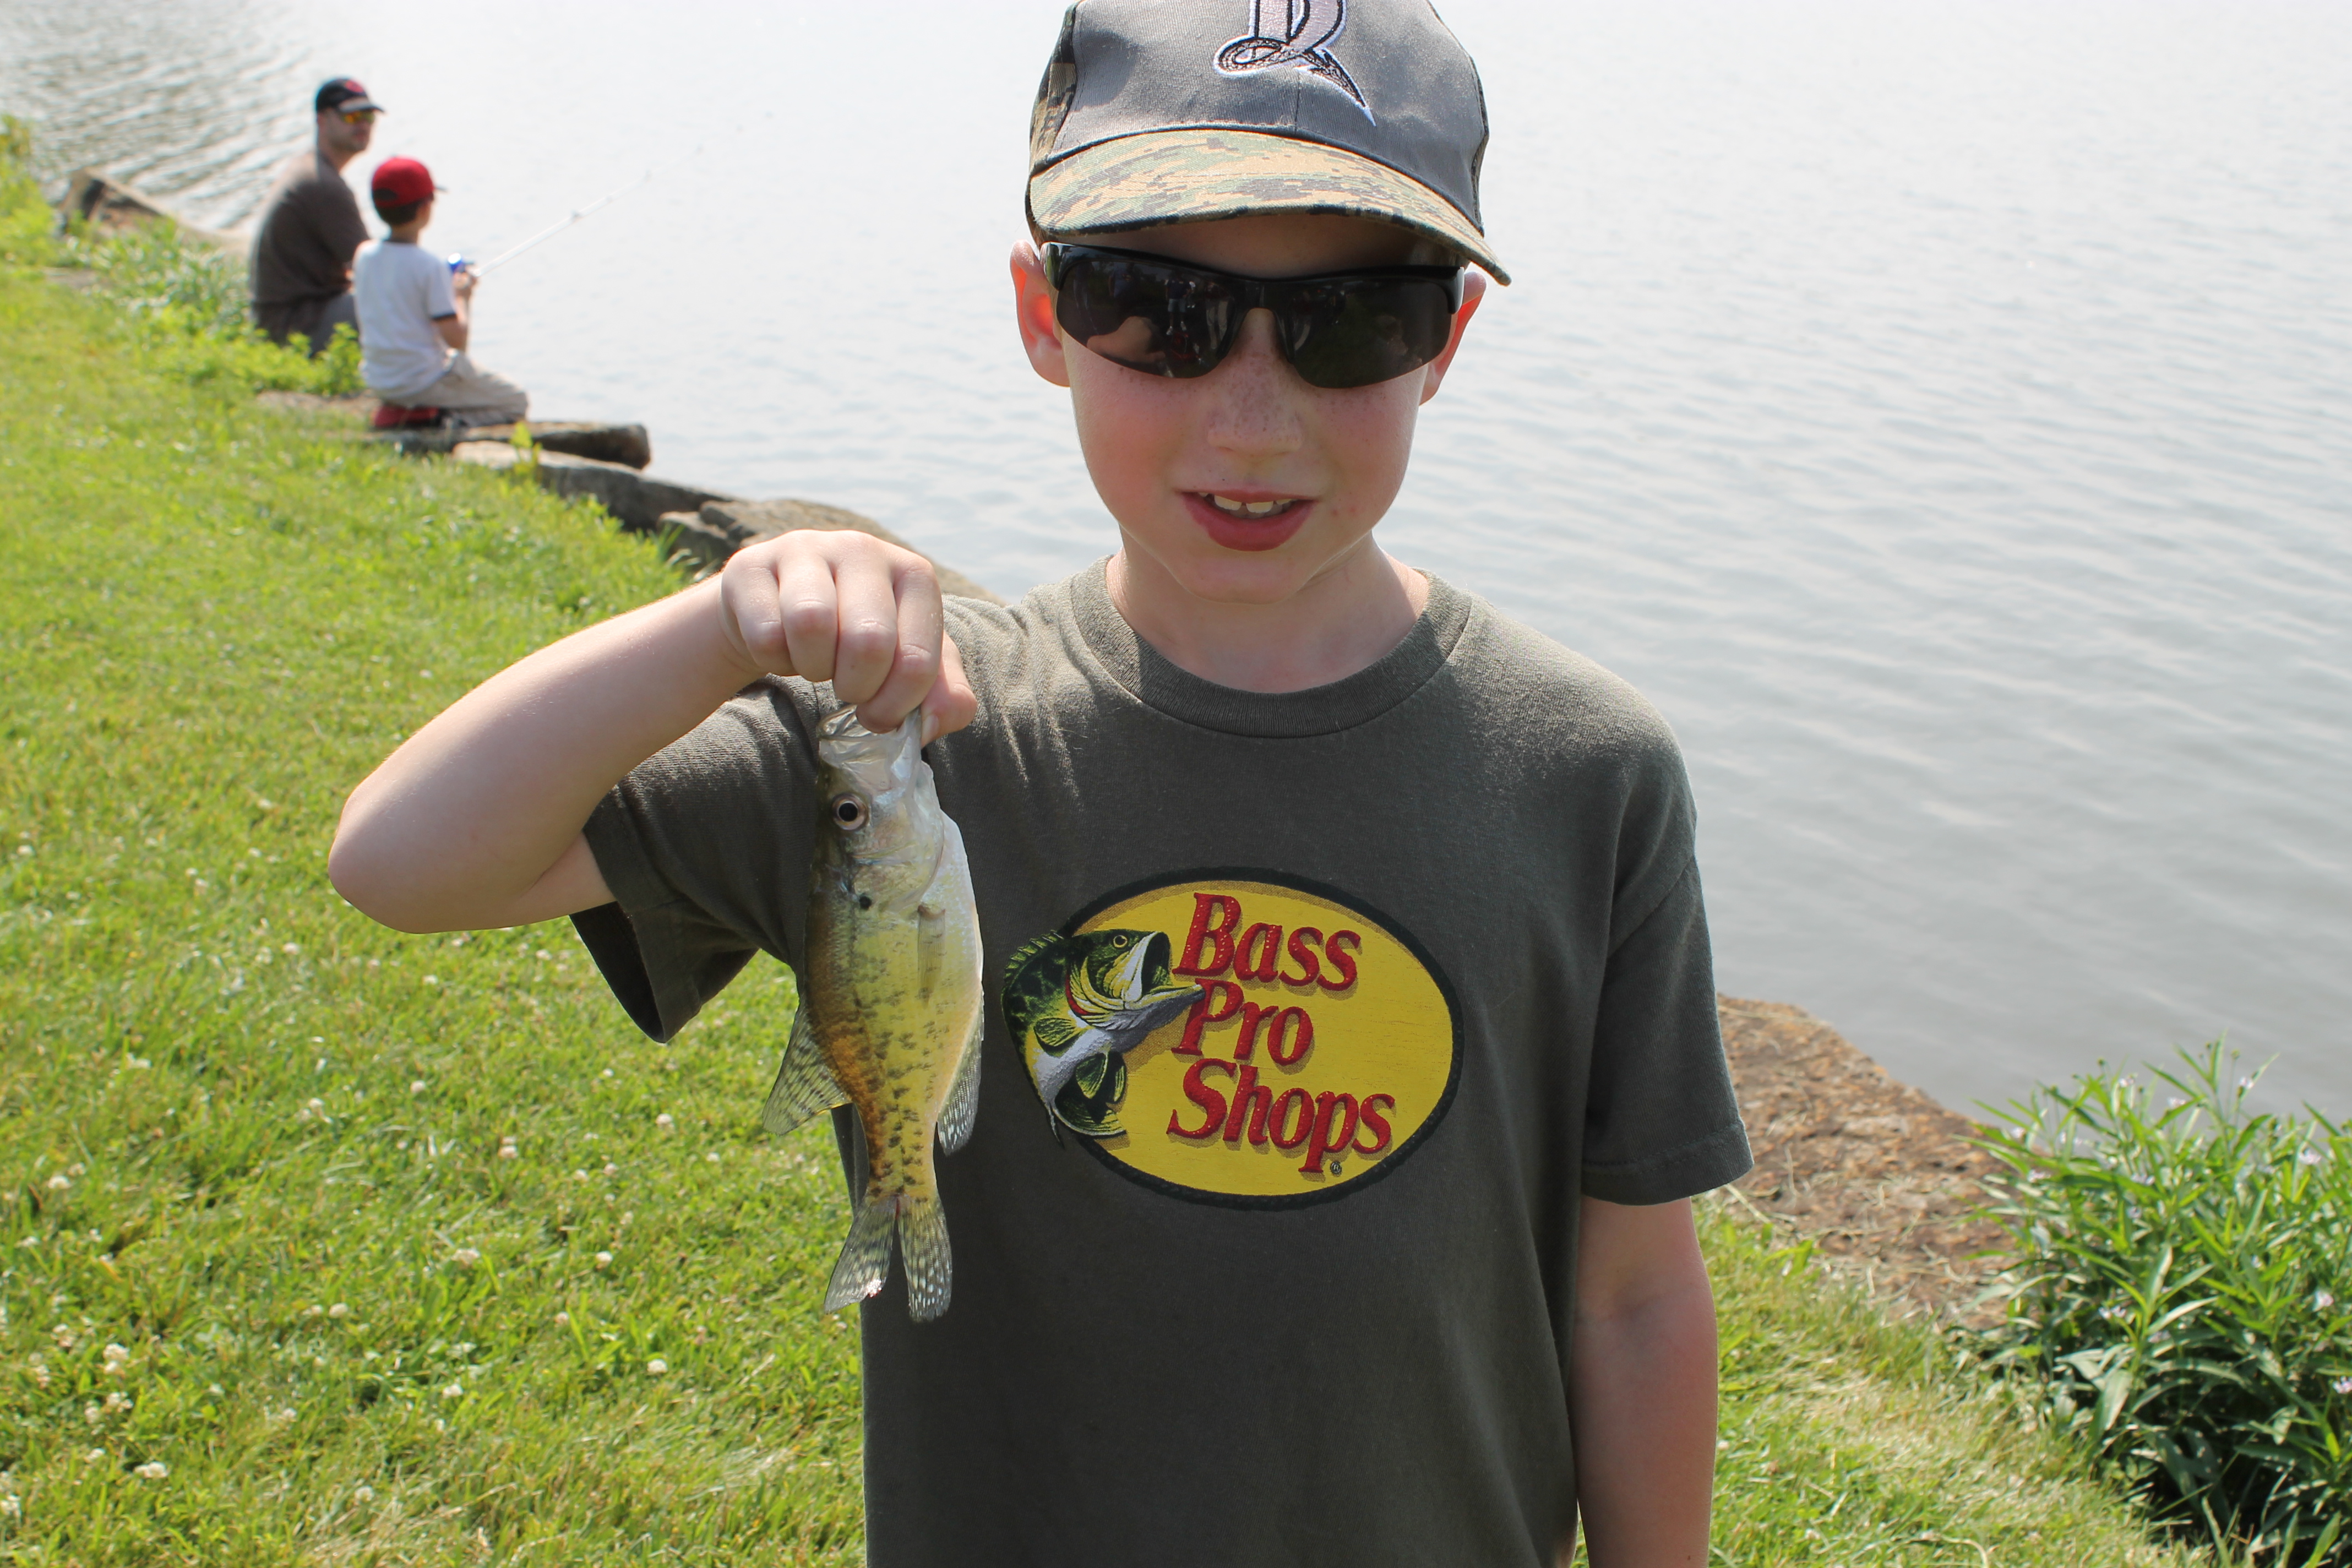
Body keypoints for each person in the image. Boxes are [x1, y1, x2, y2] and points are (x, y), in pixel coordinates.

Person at [329, 1, 1748, 1562]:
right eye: (1157, 309)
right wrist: (709, 629)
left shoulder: (1583, 772)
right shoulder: (906, 742)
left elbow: (1632, 1295)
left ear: (1448, 342)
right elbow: (402, 863)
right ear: (1042, 312)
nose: (1251, 413)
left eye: (1354, 322)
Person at [352, 155, 528, 426]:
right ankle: (443, 423)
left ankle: (414, 413)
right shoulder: (429, 268)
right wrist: (462, 297)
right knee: (515, 401)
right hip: (421, 383)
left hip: (379, 379)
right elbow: (457, 342)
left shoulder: (363, 256)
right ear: (425, 209)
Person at [249, 77, 377, 355]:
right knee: (395, 303)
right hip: (291, 329)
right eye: (352, 116)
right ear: (322, 120)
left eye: (368, 115)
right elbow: (377, 270)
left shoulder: (311, 169)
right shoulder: (323, 186)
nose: (363, 124)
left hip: (288, 316)